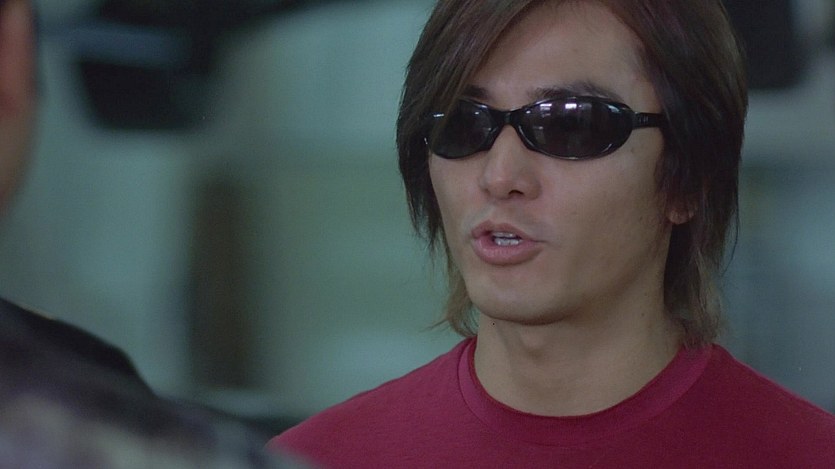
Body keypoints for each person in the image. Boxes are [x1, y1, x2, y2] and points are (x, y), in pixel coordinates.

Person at [267, 0, 835, 467]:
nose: (500, 177)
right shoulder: (318, 458)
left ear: (687, 181)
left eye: (570, 124)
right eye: (465, 124)